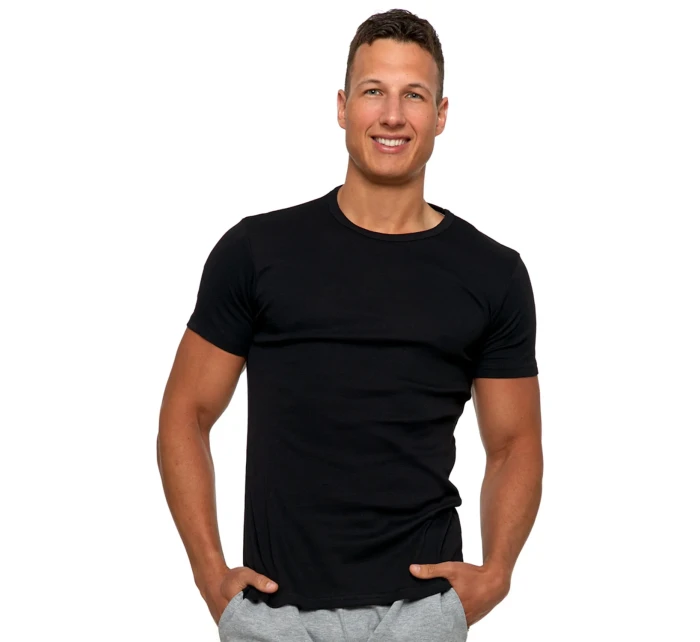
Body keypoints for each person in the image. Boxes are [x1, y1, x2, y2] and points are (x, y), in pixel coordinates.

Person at [157, 8, 542, 642]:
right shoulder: (256, 251)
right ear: (342, 107)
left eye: (413, 95)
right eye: (373, 92)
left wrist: (497, 572)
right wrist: (209, 573)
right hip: (275, 615)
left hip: (421, 615)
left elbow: (514, 443)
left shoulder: (492, 272)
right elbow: (186, 412)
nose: (392, 115)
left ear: (440, 114)